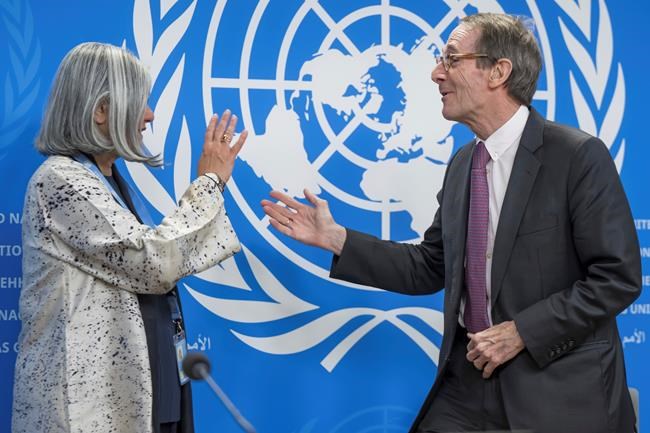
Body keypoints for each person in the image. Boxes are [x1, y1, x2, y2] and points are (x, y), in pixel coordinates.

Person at [261, 13, 641, 433]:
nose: (436, 73)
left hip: (553, 386)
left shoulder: (576, 156)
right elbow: (431, 265)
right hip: (468, 382)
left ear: (498, 72)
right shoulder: (464, 163)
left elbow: (616, 278)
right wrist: (337, 239)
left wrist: (522, 332)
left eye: (452, 59)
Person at [12, 42, 247, 433]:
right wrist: (210, 183)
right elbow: (153, 263)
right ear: (101, 110)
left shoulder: (111, 182)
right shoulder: (60, 181)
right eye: (140, 102)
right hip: (89, 411)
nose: (150, 115)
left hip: (152, 393)